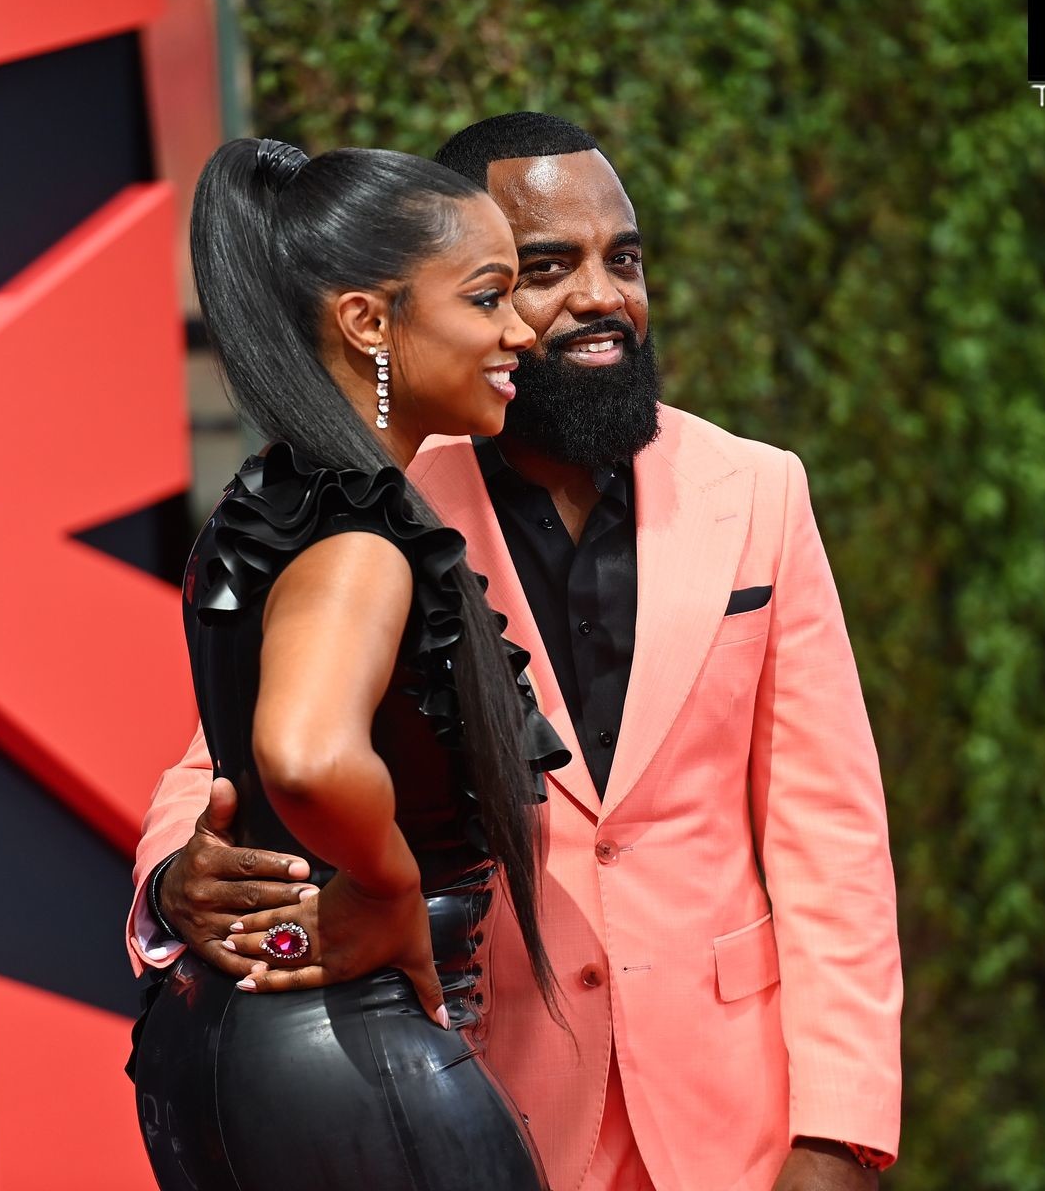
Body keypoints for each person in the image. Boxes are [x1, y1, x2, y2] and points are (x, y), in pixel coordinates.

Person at [130, 113, 903, 1190]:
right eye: (536, 273)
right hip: (478, 1092)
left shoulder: (761, 490)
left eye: (623, 259)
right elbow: (230, 754)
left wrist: (838, 1131)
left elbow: (833, 835)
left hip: (730, 1120)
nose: (601, 296)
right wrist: (181, 882)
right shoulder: (378, 495)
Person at [128, 135, 569, 1190]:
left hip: (232, 1046)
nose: (521, 330)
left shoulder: (276, 502)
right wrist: (388, 885)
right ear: (369, 322)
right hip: (352, 1056)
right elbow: (307, 754)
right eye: (487, 297)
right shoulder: (361, 538)